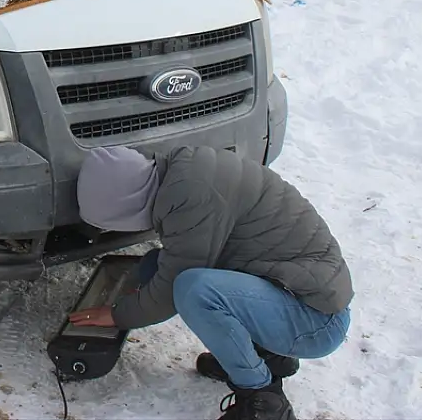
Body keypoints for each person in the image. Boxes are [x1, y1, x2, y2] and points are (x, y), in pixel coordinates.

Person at [67, 145, 352, 420]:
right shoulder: (182, 176)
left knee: (194, 289)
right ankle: (263, 355)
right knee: (155, 266)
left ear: (124, 206)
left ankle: (262, 398)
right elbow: (172, 265)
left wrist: (118, 314)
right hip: (295, 296)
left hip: (316, 319)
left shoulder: (192, 199)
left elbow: (171, 288)